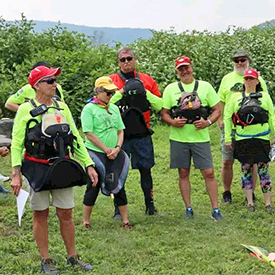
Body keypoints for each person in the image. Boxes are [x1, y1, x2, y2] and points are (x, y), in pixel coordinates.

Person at [10, 65, 98, 274]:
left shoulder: (62, 107)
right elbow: (16, 143)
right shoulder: (25, 109)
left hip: (62, 167)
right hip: (36, 168)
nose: (54, 85)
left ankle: (72, 256)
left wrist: (89, 164)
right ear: (37, 85)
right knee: (40, 214)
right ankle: (46, 258)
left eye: (55, 80)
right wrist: (16, 174)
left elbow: (75, 137)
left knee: (66, 213)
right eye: (50, 81)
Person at [161, 55, 222, 221]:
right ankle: (188, 208)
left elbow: (217, 109)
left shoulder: (205, 87)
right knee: (183, 172)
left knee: (208, 172)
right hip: (179, 138)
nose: (184, 71)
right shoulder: (170, 88)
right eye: (181, 69)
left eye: (186, 67)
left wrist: (207, 122)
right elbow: (164, 113)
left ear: (192, 68)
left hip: (200, 137)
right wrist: (173, 122)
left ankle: (215, 209)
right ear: (177, 71)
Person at [109, 47, 162, 218]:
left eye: (129, 58)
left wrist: (143, 91)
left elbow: (160, 104)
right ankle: (118, 208)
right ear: (118, 62)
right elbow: (103, 103)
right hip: (119, 135)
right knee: (118, 171)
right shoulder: (111, 81)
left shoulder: (146, 80)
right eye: (123, 59)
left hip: (142, 132)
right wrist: (122, 91)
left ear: (135, 59)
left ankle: (150, 205)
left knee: (146, 170)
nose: (126, 62)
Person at [81, 76, 132, 229]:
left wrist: (117, 148)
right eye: (107, 93)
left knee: (118, 183)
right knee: (93, 184)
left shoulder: (114, 108)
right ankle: (86, 221)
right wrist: (105, 149)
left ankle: (125, 221)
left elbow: (121, 130)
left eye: (111, 93)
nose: (110, 96)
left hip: (114, 152)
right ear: (98, 91)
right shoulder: (89, 109)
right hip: (96, 152)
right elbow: (88, 133)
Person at [218, 49, 268, 204]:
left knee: (251, 162)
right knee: (227, 161)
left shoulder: (258, 79)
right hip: (232, 126)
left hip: (250, 129)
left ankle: (250, 194)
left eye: (242, 60)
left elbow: (265, 101)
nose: (240, 63)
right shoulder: (227, 79)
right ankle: (227, 192)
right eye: (236, 60)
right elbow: (221, 101)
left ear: (248, 60)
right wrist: (220, 119)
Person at [224, 69, 275, 212]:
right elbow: (227, 117)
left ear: (257, 81)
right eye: (247, 78)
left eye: (252, 79)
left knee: (263, 171)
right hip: (243, 139)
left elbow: (272, 115)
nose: (249, 81)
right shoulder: (235, 98)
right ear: (243, 81)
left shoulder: (265, 97)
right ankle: (250, 202)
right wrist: (228, 138)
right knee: (246, 170)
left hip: (262, 137)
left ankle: (268, 203)